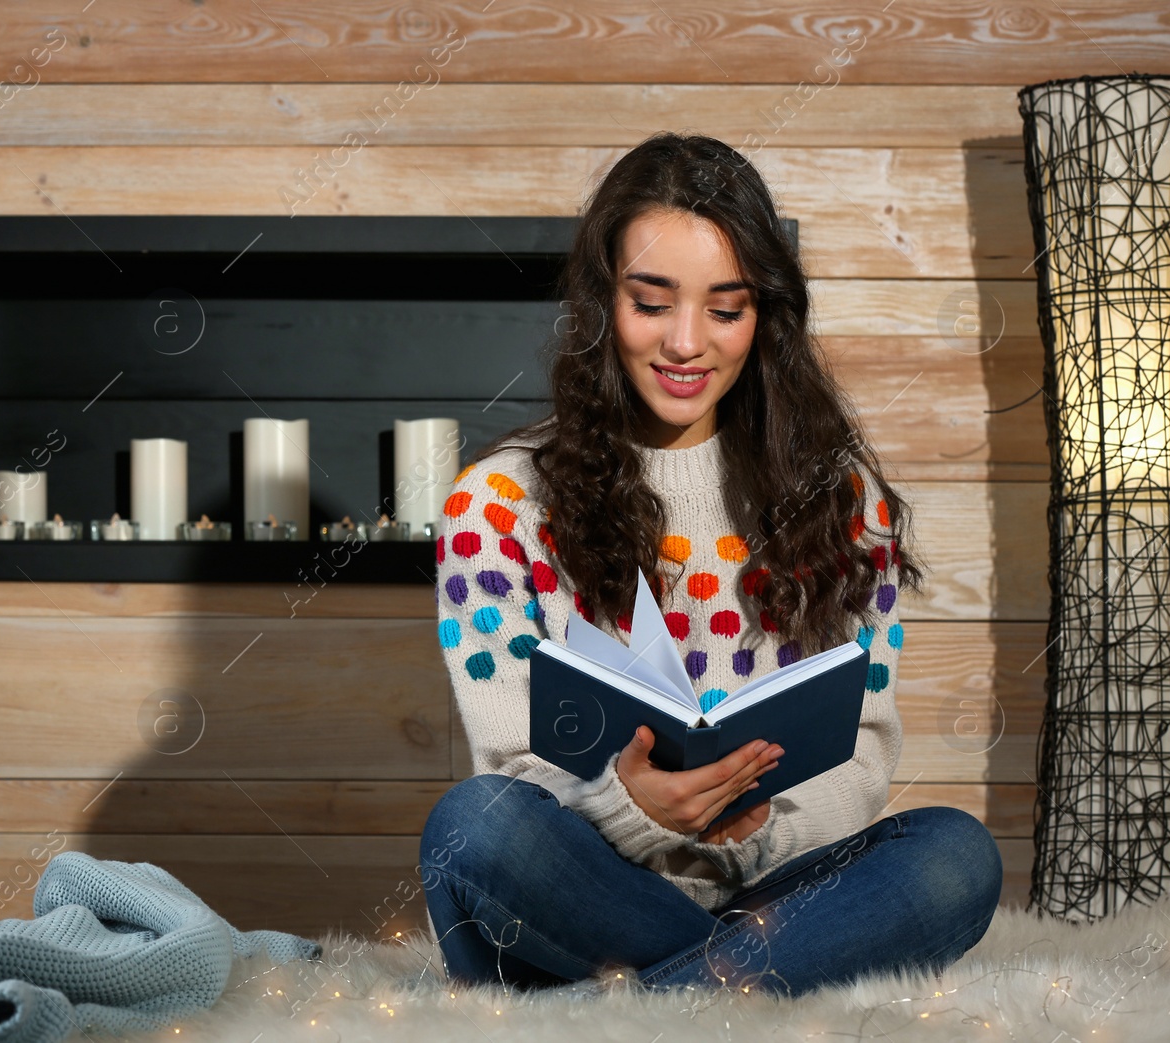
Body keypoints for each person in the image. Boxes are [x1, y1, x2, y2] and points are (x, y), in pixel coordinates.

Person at [420, 131, 1003, 998]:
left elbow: (864, 747)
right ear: (600, 304)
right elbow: (512, 763)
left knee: (955, 854)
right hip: (583, 886)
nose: (687, 343)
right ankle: (745, 988)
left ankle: (616, 1008)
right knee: (473, 827)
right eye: (652, 303)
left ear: (763, 314)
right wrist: (630, 805)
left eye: (724, 310)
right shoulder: (496, 503)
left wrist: (754, 831)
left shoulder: (843, 502)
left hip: (773, 887)